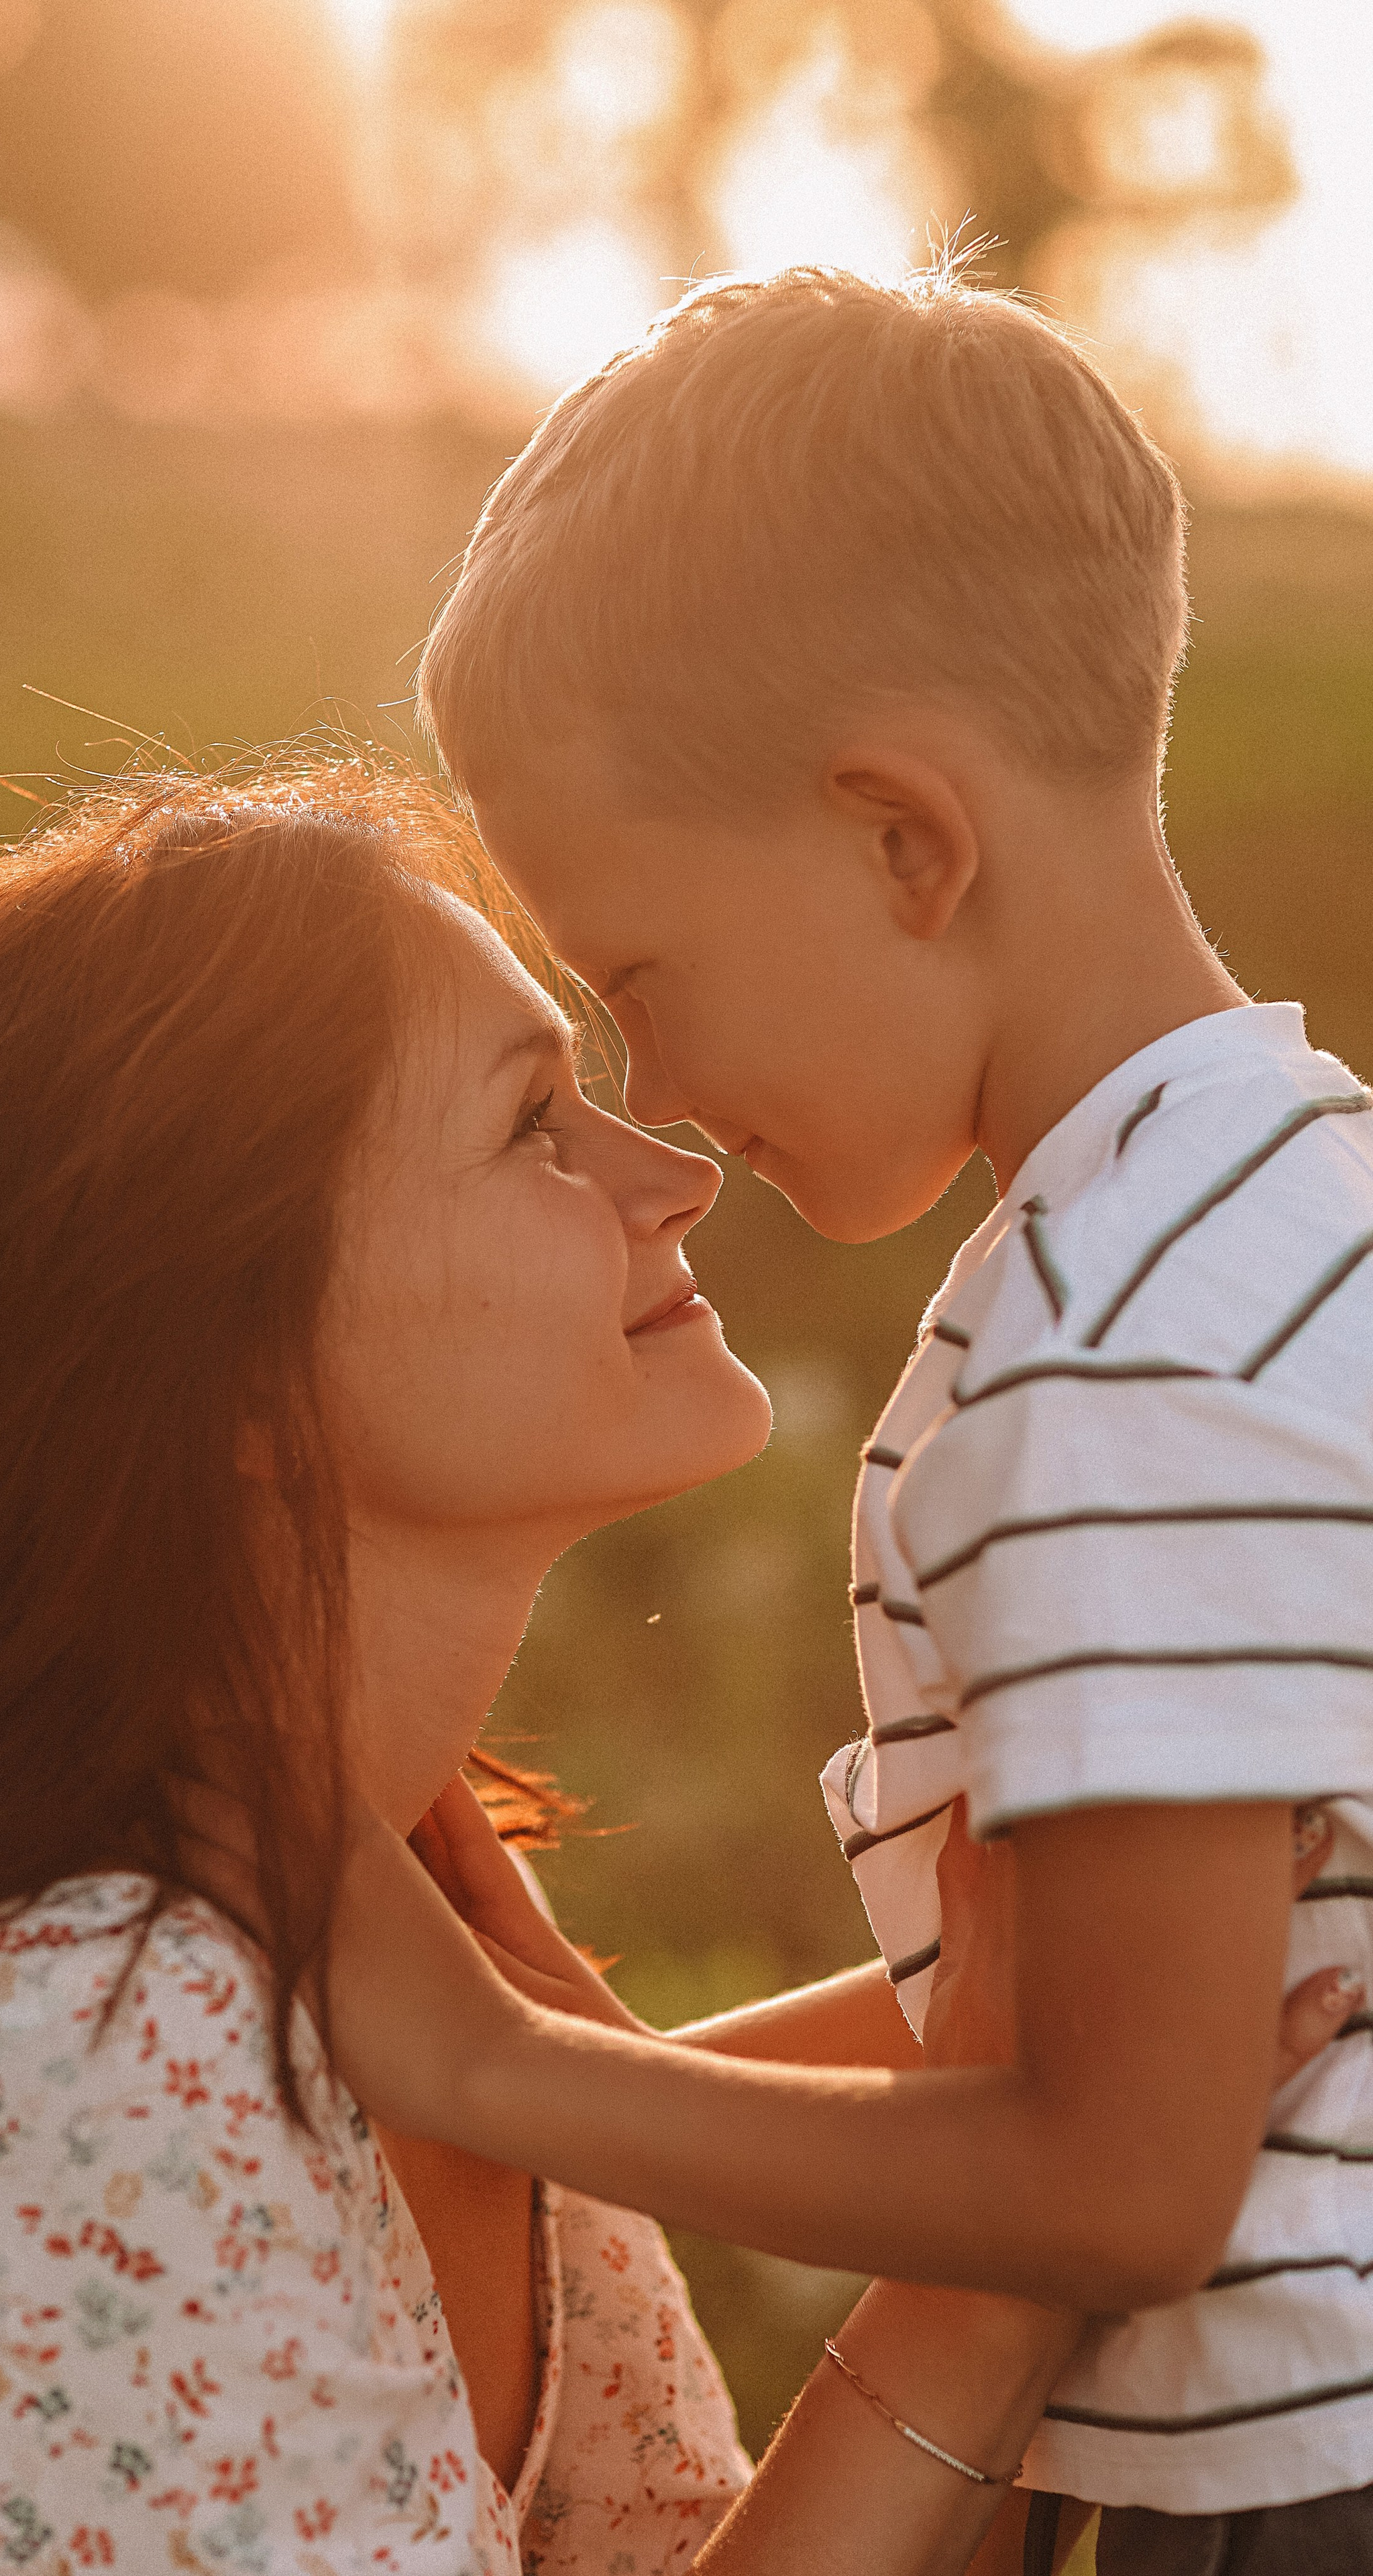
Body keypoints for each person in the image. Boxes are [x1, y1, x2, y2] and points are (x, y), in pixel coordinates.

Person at [0, 766, 1095, 2574]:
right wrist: (989, 2272)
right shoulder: (91, 2054)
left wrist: (1012, 2181)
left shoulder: (416, 1972)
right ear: (225, 1362)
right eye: (532, 1128)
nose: (671, 1178)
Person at [321, 266, 1373, 2573]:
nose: (665, 1112)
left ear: (906, 838)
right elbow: (1046, 2007)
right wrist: (616, 2107)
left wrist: (499, 2079)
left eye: (642, 986)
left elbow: (1115, 2168)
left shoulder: (1110, 1367)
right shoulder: (1289, 1210)